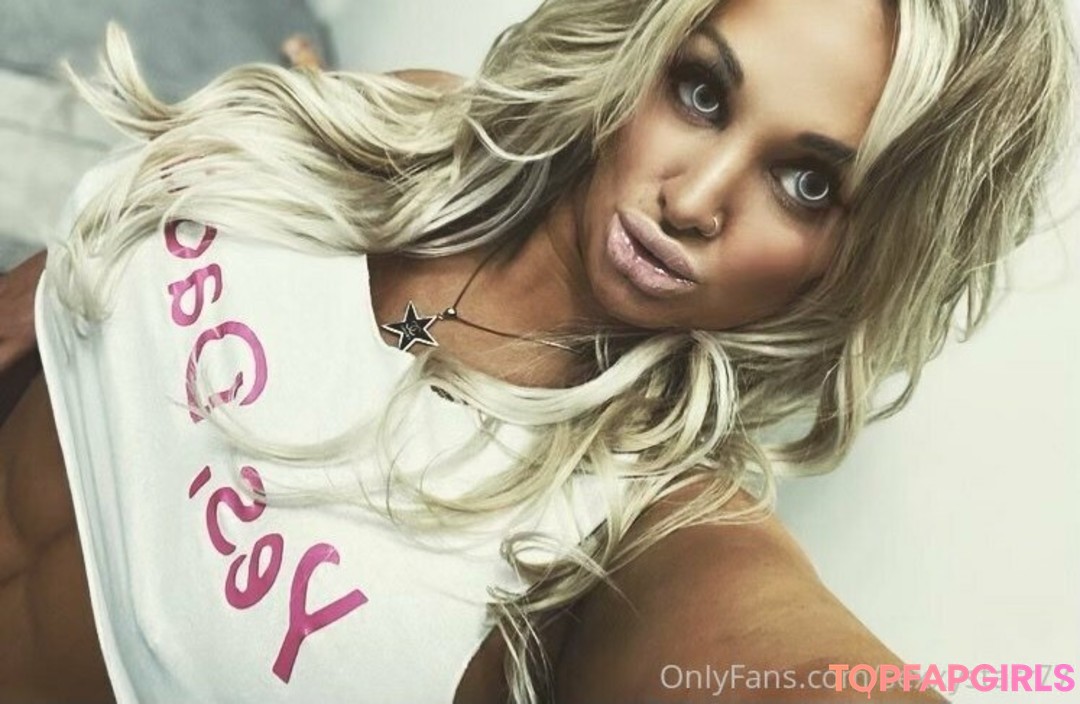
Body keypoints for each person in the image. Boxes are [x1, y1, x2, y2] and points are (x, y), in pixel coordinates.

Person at [0, 0, 1074, 702]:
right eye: (702, 93)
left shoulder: (641, 534)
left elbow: (774, 653)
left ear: (866, 253)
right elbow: (86, 274)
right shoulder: (415, 126)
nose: (693, 200)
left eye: (807, 183)